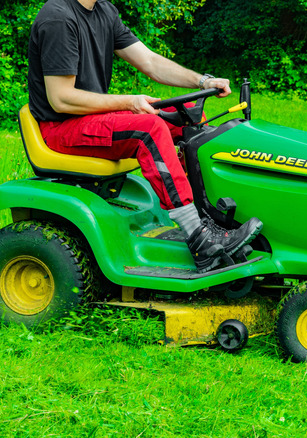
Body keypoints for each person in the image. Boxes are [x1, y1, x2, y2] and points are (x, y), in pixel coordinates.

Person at [27, 0, 262, 272]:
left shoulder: (104, 11)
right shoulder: (58, 18)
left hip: (92, 121)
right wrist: (128, 102)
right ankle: (200, 241)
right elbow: (61, 99)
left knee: (187, 116)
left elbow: (150, 62)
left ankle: (215, 217)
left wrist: (203, 82)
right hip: (63, 129)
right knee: (149, 129)